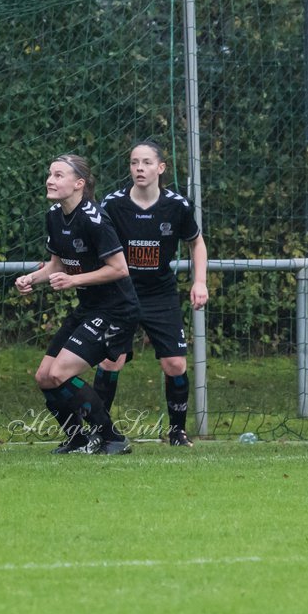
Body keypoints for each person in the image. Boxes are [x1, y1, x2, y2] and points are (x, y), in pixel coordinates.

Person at [15, 154, 140, 455]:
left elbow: (120, 269)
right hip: (89, 308)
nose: (50, 180)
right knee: (44, 377)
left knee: (59, 373)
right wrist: (31, 278)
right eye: (50, 173)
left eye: (58, 175)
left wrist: (75, 280)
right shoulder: (54, 215)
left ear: (79, 184)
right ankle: (77, 438)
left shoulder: (95, 219)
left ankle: (112, 438)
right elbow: (56, 265)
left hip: (117, 311)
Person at [97, 140, 209, 446]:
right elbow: (97, 244)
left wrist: (200, 282)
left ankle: (177, 432)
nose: (139, 169)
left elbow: (196, 243)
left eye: (146, 162)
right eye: (134, 163)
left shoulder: (177, 205)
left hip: (160, 294)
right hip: (121, 294)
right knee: (110, 361)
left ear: (160, 168)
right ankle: (100, 430)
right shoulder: (112, 204)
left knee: (175, 364)